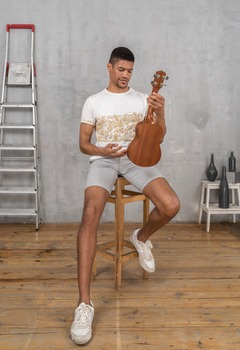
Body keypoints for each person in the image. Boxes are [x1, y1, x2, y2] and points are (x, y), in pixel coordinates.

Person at [70, 47, 180, 345]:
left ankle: (141, 237)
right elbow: (83, 144)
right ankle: (84, 305)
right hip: (104, 160)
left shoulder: (144, 98)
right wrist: (101, 150)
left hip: (135, 160)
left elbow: (159, 136)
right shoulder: (94, 101)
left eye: (130, 71)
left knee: (171, 205)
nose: (125, 75)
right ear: (109, 67)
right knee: (90, 214)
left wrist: (161, 112)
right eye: (121, 70)